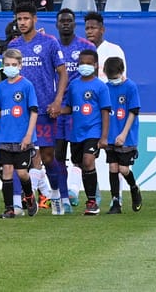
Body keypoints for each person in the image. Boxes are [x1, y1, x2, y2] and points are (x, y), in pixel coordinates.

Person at [7, 3, 69, 213]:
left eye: (25, 18)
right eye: (19, 19)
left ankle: (56, 194)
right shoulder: (14, 45)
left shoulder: (49, 42)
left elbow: (63, 72)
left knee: (48, 156)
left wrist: (58, 100)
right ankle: (19, 202)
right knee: (21, 158)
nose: (22, 22)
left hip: (44, 109)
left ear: (35, 19)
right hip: (20, 112)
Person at [0, 49, 39, 219]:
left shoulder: (26, 85)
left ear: (20, 65)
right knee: (7, 171)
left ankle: (29, 197)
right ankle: (9, 209)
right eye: (7, 65)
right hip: (5, 137)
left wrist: (28, 135)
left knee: (22, 172)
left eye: (14, 65)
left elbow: (34, 112)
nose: (10, 68)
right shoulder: (1, 87)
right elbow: (0, 111)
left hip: (21, 137)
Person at [61, 49, 109, 214]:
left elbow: (105, 111)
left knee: (88, 161)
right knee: (80, 164)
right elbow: (70, 108)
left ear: (96, 65)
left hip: (93, 132)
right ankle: (93, 193)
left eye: (88, 63)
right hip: (76, 133)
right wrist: (58, 110)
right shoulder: (74, 84)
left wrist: (103, 137)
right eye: (82, 63)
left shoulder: (100, 86)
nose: (84, 66)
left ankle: (92, 202)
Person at [100, 57, 141, 214]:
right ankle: (115, 201)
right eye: (110, 77)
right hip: (109, 136)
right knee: (113, 167)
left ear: (121, 71)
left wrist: (123, 134)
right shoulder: (105, 88)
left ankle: (134, 188)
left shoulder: (130, 87)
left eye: (115, 77)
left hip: (126, 136)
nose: (113, 80)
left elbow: (133, 112)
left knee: (124, 169)